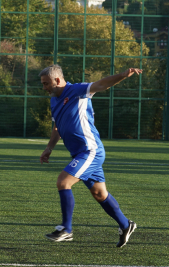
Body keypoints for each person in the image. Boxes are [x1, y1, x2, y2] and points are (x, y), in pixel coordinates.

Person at [39, 64, 142, 247]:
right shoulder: (54, 100)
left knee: (63, 182)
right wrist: (49, 148)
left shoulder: (77, 90)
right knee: (99, 194)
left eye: (46, 84)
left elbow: (102, 84)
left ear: (57, 80)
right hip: (78, 153)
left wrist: (123, 75)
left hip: (90, 151)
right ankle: (126, 225)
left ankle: (66, 229)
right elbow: (57, 127)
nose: (44, 88)